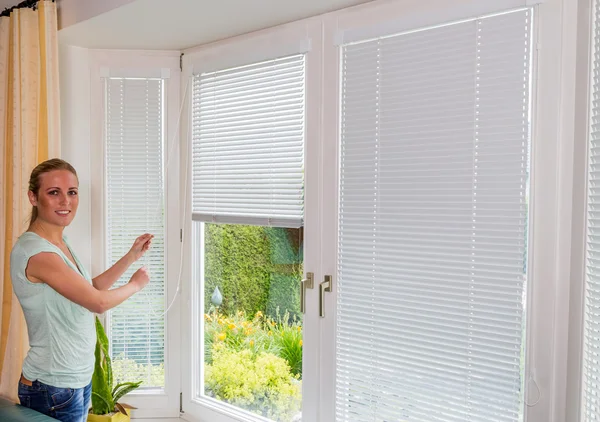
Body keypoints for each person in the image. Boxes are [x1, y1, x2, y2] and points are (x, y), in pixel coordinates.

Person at [10, 158, 153, 422]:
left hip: (72, 382)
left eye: (72, 192)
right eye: (54, 193)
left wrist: (130, 257)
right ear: (33, 197)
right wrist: (135, 285)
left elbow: (88, 290)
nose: (66, 201)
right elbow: (97, 302)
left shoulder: (58, 242)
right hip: (53, 386)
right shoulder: (38, 253)